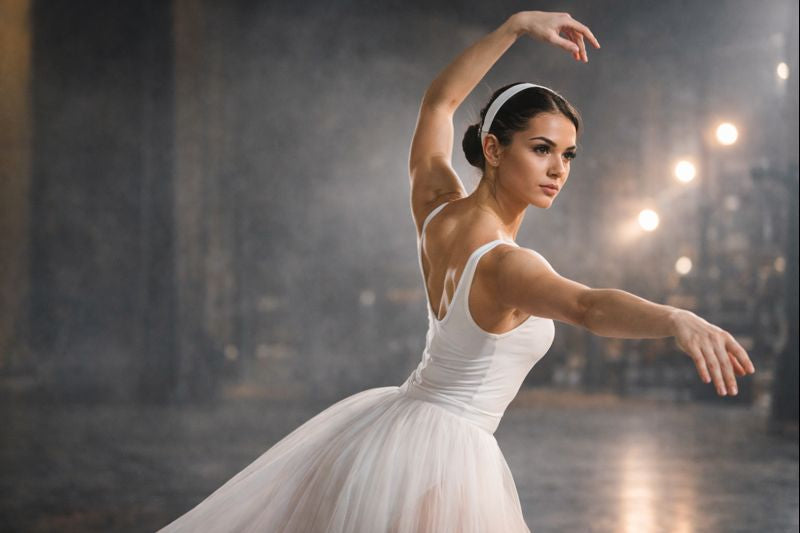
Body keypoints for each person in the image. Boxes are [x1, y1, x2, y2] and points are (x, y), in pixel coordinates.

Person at [157, 10, 755, 533]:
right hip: (446, 455)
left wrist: (514, 27)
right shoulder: (506, 264)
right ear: (493, 149)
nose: (558, 169)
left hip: (395, 428)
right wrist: (675, 318)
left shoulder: (436, 209)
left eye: (567, 153)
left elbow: (439, 102)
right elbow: (587, 306)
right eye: (540, 148)